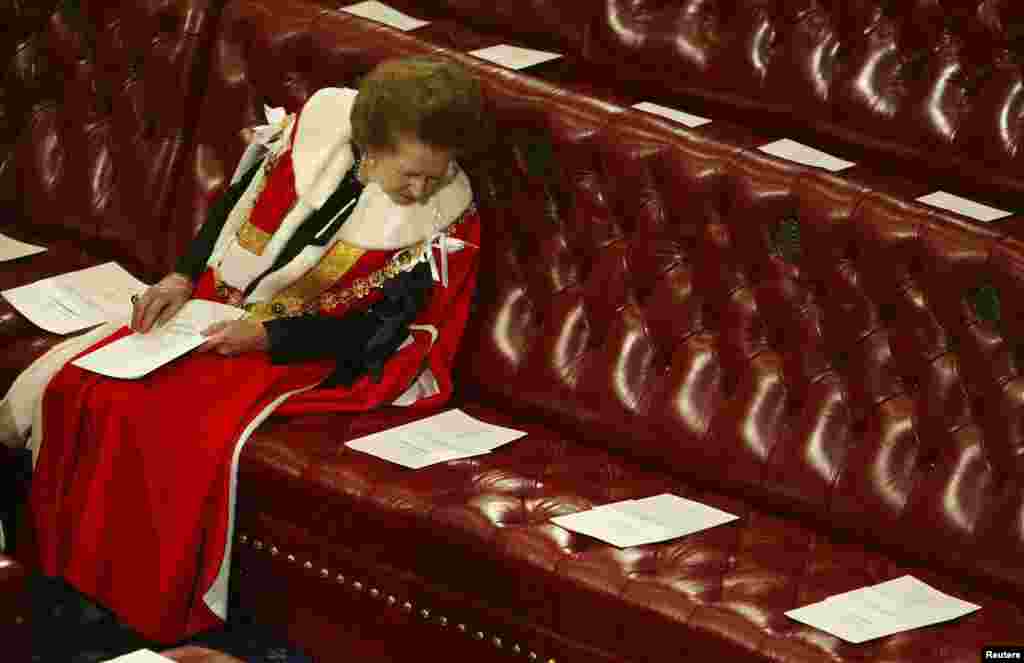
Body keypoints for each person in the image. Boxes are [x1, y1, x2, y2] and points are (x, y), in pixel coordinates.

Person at [0, 56, 488, 643]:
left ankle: (140, 615)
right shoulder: (316, 134)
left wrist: (272, 337)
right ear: (370, 144)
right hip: (224, 309)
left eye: (435, 176)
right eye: (411, 175)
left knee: (172, 419)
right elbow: (233, 210)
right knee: (87, 386)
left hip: (317, 348)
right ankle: (55, 578)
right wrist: (180, 277)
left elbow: (381, 332)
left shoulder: (443, 215)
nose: (422, 190)